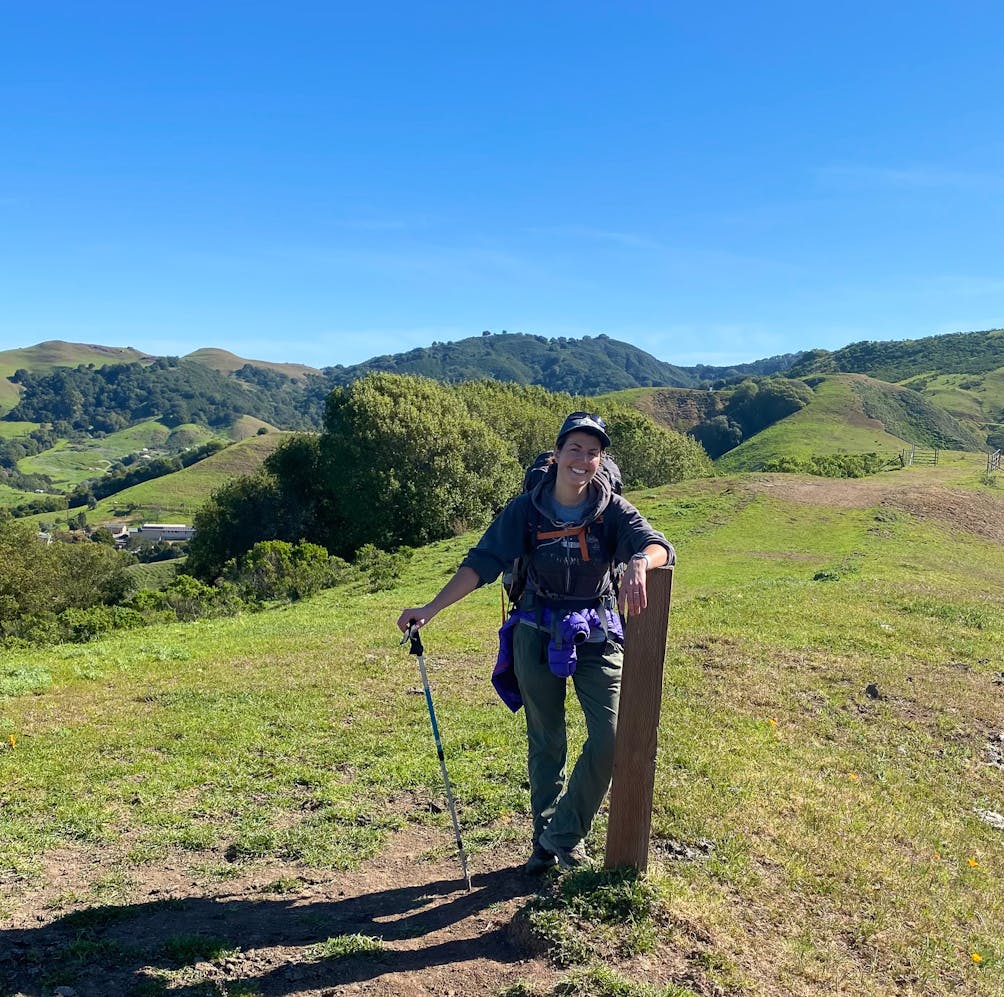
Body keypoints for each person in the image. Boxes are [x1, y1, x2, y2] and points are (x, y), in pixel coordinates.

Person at [397, 412, 674, 872]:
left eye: (592, 452)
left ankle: (561, 834)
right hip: (534, 630)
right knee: (546, 741)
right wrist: (431, 608)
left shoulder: (613, 511)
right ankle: (545, 845)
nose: (582, 460)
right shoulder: (525, 510)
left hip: (597, 633)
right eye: (575, 450)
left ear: (601, 462)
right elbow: (482, 562)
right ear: (558, 454)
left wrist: (641, 562)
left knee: (611, 736)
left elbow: (657, 543)